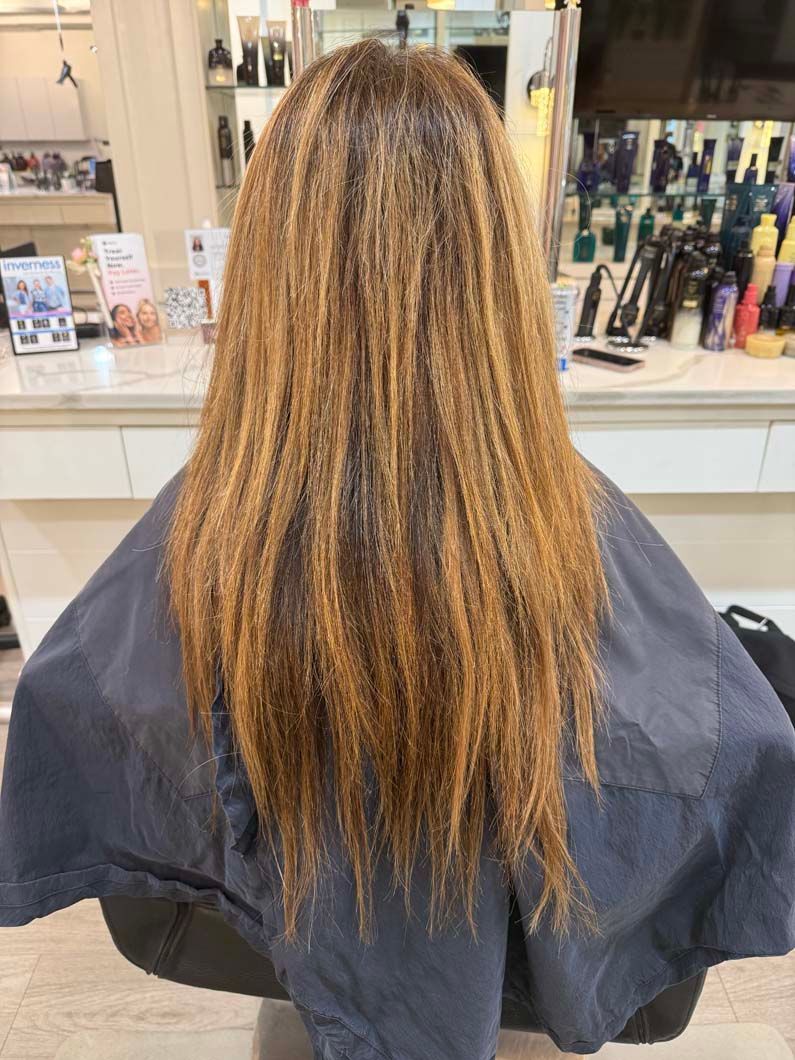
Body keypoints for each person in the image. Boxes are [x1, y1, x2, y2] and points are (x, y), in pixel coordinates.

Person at [0, 41, 793, 1060]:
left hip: (280, 952)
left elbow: (74, 712)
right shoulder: (569, 514)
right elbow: (744, 751)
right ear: (496, 273)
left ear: (274, 265)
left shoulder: (211, 514)